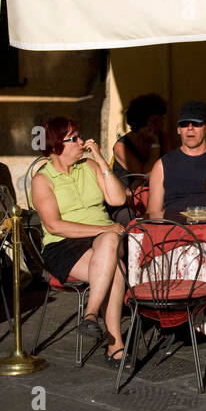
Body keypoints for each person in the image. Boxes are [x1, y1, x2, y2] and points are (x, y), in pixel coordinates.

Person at [31, 116, 129, 368]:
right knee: (117, 270)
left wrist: (99, 160)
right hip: (63, 244)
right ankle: (115, 344)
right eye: (72, 138)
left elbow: (117, 199)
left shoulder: (90, 166)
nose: (81, 141)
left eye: (79, 136)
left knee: (109, 243)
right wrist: (103, 228)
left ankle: (90, 314)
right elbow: (54, 225)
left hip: (102, 240)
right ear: (55, 146)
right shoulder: (42, 180)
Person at [113, 93, 167, 184]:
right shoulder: (121, 146)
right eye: (154, 121)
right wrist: (155, 145)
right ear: (140, 122)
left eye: (162, 120)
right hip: (129, 195)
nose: (160, 125)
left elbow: (171, 166)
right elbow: (145, 175)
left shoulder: (163, 138)